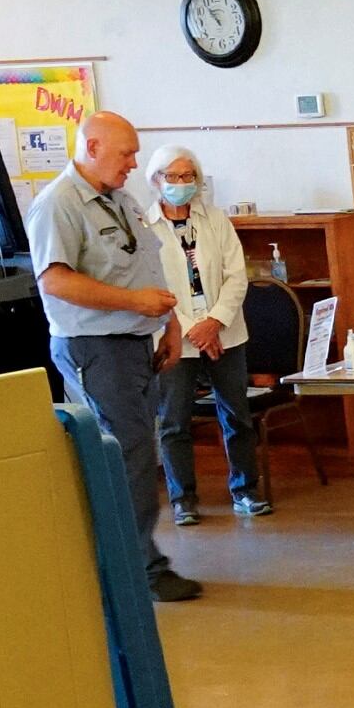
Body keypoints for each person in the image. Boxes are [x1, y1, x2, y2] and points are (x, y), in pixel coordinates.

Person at [31, 112, 200, 603]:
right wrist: (135, 306)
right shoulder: (58, 205)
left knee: (137, 456)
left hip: (136, 344)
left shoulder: (120, 200)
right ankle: (135, 571)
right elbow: (55, 281)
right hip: (95, 348)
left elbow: (146, 267)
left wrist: (169, 324)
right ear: (92, 145)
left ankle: (136, 562)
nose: (134, 163)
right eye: (126, 153)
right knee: (125, 459)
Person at [142, 144, 267, 526]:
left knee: (237, 416)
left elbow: (236, 276)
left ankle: (245, 492)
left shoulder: (214, 220)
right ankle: (183, 499)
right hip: (174, 337)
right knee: (175, 422)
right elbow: (149, 282)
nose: (180, 184)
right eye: (172, 177)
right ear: (156, 181)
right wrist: (191, 328)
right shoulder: (143, 227)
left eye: (188, 176)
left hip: (226, 334)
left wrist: (213, 321)